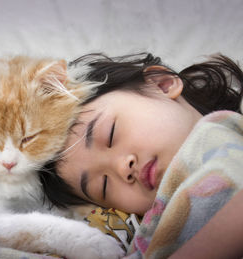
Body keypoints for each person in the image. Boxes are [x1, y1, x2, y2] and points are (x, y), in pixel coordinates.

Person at [39, 52, 243, 258]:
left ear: (162, 84)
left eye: (110, 135)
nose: (122, 168)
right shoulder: (143, 235)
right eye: (104, 185)